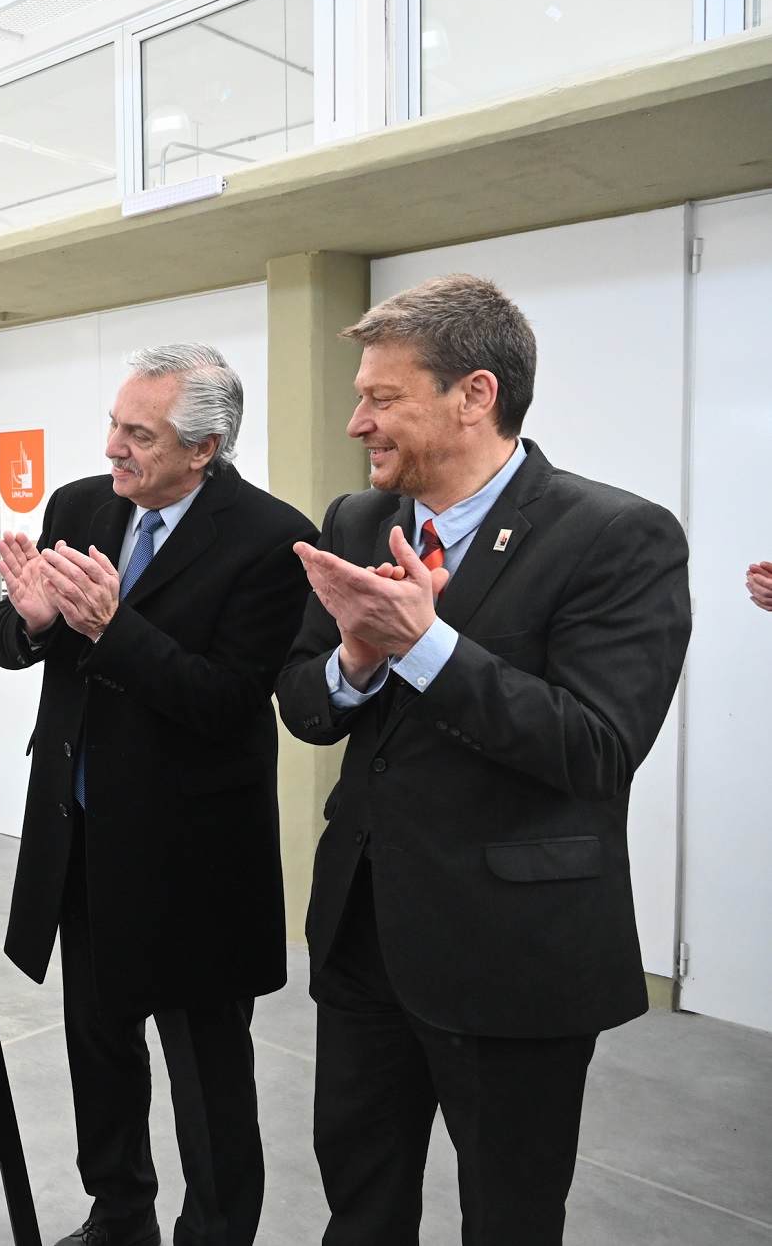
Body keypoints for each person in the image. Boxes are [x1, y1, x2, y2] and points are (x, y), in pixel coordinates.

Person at [277, 274, 692, 1245]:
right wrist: (353, 659)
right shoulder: (348, 522)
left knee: (506, 1219)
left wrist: (424, 648)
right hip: (364, 935)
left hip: (512, 957)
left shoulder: (615, 537)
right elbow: (302, 706)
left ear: (473, 395)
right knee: (358, 1202)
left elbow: (593, 748)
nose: (354, 422)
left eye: (380, 398)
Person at [0, 344, 316, 1246]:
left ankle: (213, 1233)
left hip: (193, 856)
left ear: (204, 448)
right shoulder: (83, 506)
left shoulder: (271, 540)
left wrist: (110, 627)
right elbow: (14, 634)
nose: (113, 448)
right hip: (83, 834)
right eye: (114, 423)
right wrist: (33, 619)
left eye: (140, 434)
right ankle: (120, 1211)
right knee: (98, 1047)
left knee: (206, 1071)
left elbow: (229, 701)